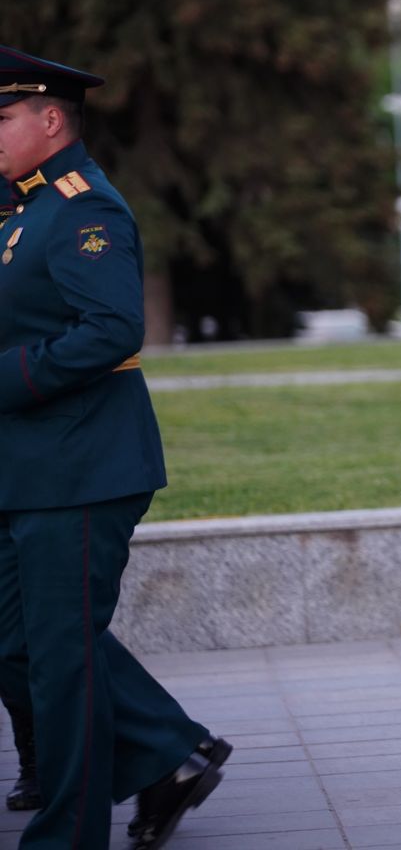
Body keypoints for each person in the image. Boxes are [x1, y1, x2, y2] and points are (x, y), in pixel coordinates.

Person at [0, 45, 231, 849]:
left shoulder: (82, 207)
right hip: (33, 468)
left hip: (81, 467)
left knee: (62, 659)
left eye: (1, 117)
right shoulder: (27, 208)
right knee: (21, 645)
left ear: (50, 119)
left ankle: (68, 835)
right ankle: (169, 754)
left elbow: (111, 329)